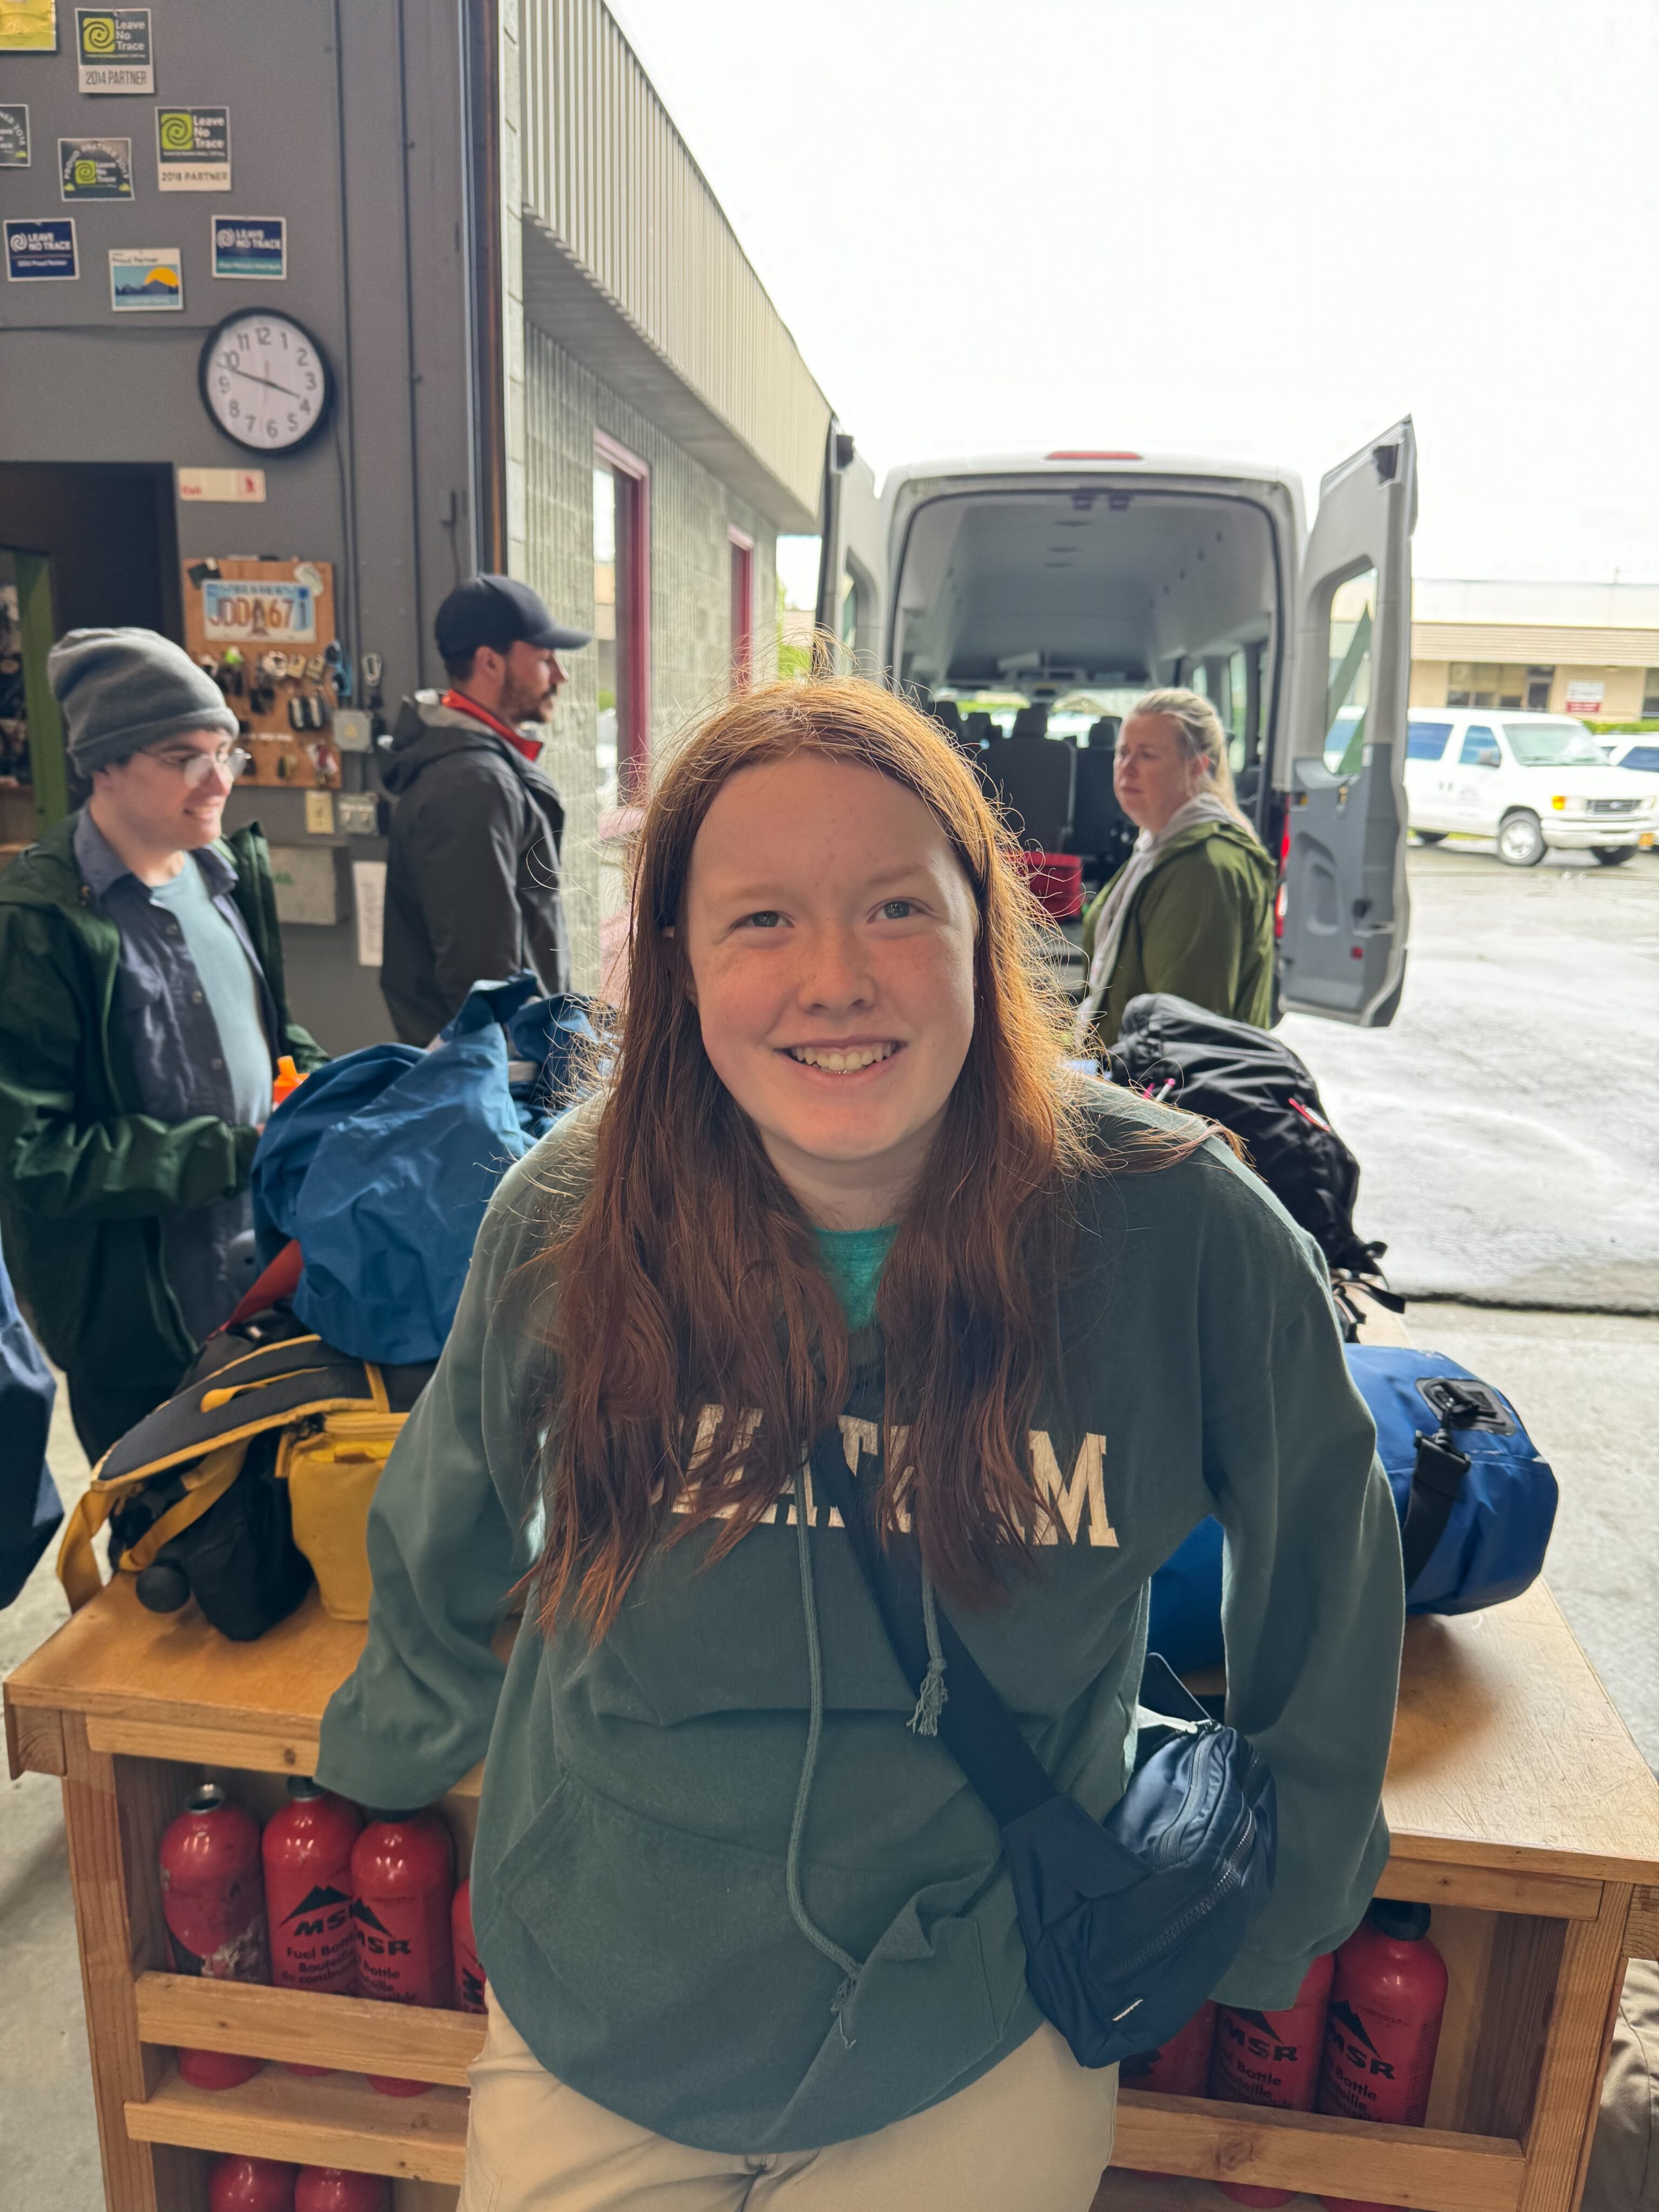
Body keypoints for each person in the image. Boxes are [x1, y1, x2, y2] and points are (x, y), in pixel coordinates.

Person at [318, 678, 1402, 2212]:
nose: (835, 979)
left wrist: (1289, 1900)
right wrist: (399, 1741)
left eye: (897, 906)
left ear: (987, 930)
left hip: (976, 2001)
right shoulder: (575, 1213)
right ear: (678, 959)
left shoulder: (1179, 1229)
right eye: (761, 920)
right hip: (609, 1984)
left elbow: (1327, 1562)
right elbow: (450, 1514)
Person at [0, 628, 325, 1464]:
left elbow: (268, 1032)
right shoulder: (38, 925)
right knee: (165, 1560)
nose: (218, 779)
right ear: (104, 764)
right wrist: (232, 1156)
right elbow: (34, 1158)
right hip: (141, 1326)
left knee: (274, 1551)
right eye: (184, 756)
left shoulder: (224, 877)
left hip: (268, 1289)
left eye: (225, 749)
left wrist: (325, 1089)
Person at [380, 574, 591, 1044]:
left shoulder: (479, 768)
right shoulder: (473, 784)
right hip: (494, 1072)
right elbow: (483, 977)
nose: (560, 675)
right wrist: (524, 1073)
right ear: (490, 663)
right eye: (543, 659)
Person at [1074, 687, 1275, 1050]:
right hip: (1119, 1071)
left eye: (1147, 756)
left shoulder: (1203, 870)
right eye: (1122, 753)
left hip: (1149, 1096)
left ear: (1198, 765)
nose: (1127, 768)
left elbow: (1180, 1044)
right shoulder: (1157, 845)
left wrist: (1083, 1077)